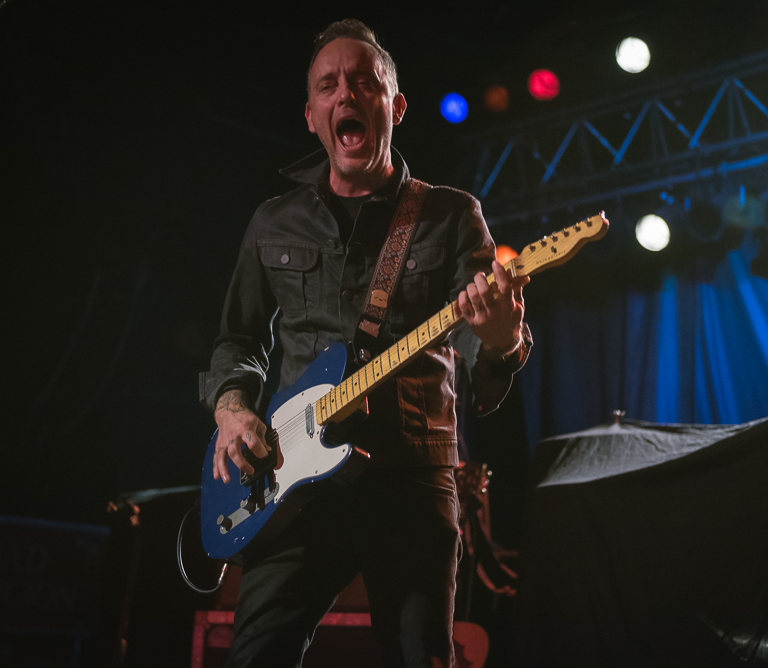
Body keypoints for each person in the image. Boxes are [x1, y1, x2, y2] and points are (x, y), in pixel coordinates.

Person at [198, 19, 531, 668]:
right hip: (291, 479)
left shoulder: (449, 215)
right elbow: (237, 338)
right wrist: (231, 408)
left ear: (394, 106)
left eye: (363, 82)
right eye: (329, 85)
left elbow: (485, 362)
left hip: (410, 477)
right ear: (312, 115)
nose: (345, 93)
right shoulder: (275, 221)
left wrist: (502, 338)